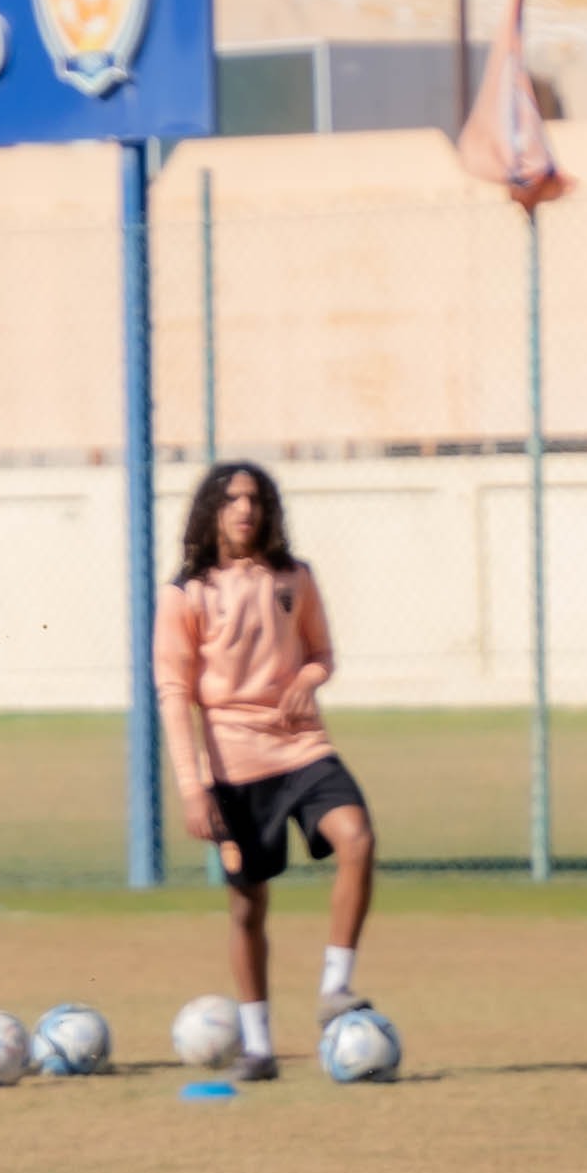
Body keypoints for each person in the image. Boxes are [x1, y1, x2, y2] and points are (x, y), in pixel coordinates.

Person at [154, 461, 381, 1080]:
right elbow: (175, 693)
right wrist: (193, 787)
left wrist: (308, 679)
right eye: (231, 500)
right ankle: (258, 1047)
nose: (245, 509)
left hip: (303, 750)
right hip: (233, 766)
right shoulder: (185, 594)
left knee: (357, 839)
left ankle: (336, 987)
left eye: (255, 499)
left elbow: (321, 654)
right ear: (212, 512)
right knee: (248, 910)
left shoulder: (294, 578)